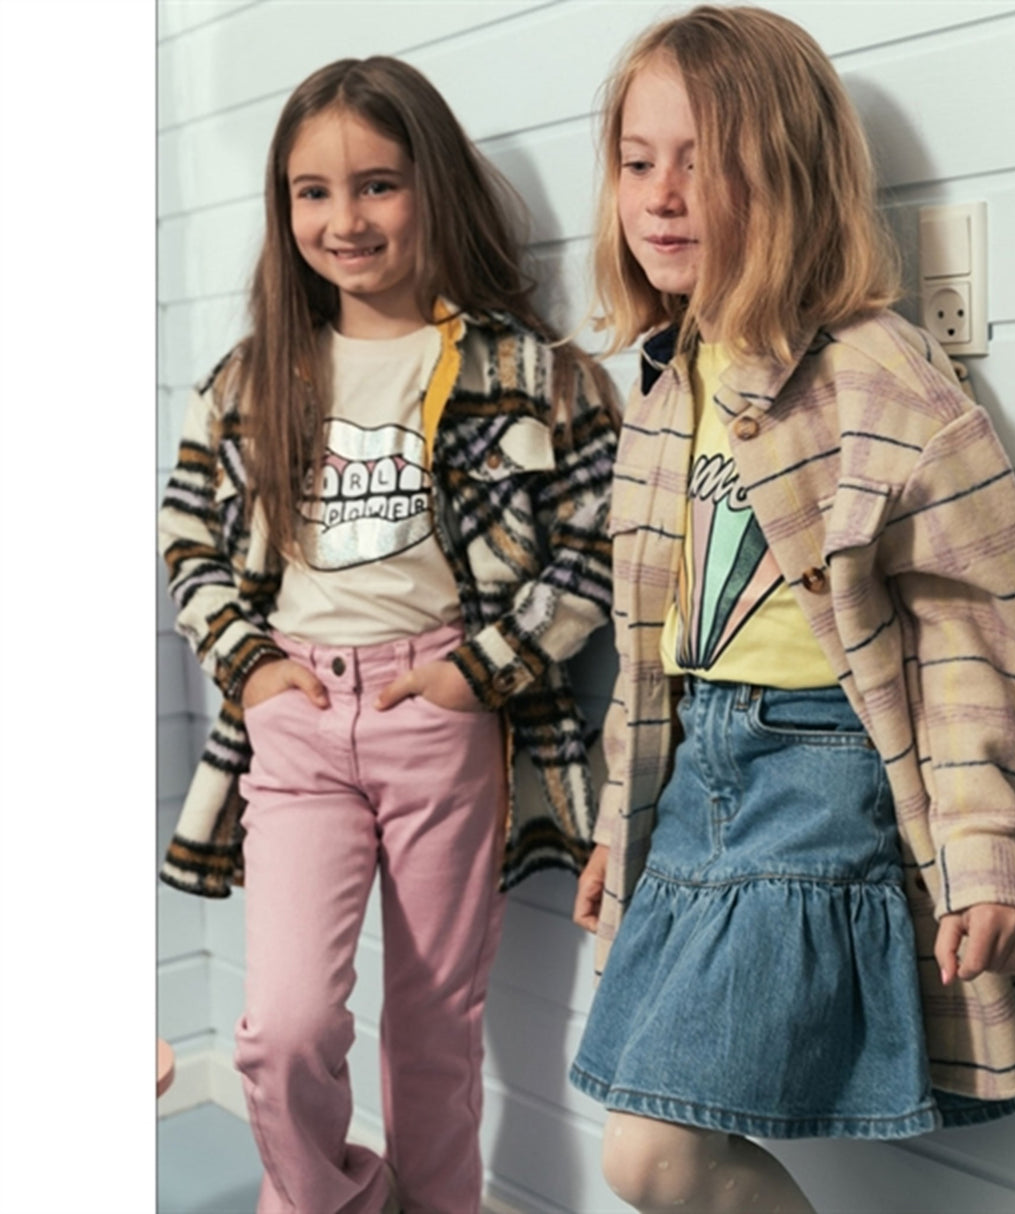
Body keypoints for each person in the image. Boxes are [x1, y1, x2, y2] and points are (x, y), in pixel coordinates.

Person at [568, 7, 1015, 1211]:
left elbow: (976, 638)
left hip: (816, 778)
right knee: (646, 1143)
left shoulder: (878, 377)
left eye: (704, 162)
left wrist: (994, 855)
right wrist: (617, 820)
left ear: (787, 176)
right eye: (637, 161)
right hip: (695, 783)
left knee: (652, 1153)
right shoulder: (663, 385)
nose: (661, 196)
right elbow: (649, 650)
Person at [158, 55, 616, 1214]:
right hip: (299, 721)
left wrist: (475, 673)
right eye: (311, 192)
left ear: (432, 187)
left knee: (434, 1025)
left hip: (437, 716)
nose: (344, 219)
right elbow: (186, 536)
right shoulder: (247, 380)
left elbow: (594, 545)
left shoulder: (529, 373)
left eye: (376, 184)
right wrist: (252, 667)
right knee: (284, 1028)